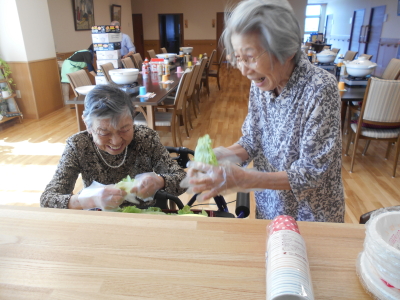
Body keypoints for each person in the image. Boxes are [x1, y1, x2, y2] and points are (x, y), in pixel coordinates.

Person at [182, 0, 344, 222]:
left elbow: (311, 172)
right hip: (270, 208)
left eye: (250, 57)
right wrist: (221, 156)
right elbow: (252, 140)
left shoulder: (319, 88)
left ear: (286, 50)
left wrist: (244, 178)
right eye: (238, 58)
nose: (244, 70)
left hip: (310, 216)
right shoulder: (262, 81)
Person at [41, 84, 186, 210]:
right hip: (101, 218)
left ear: (132, 118)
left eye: (125, 130)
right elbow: (47, 199)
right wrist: (89, 200)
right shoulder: (78, 145)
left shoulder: (146, 138)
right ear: (88, 124)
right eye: (104, 133)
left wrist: (160, 181)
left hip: (145, 216)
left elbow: (182, 179)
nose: (116, 141)